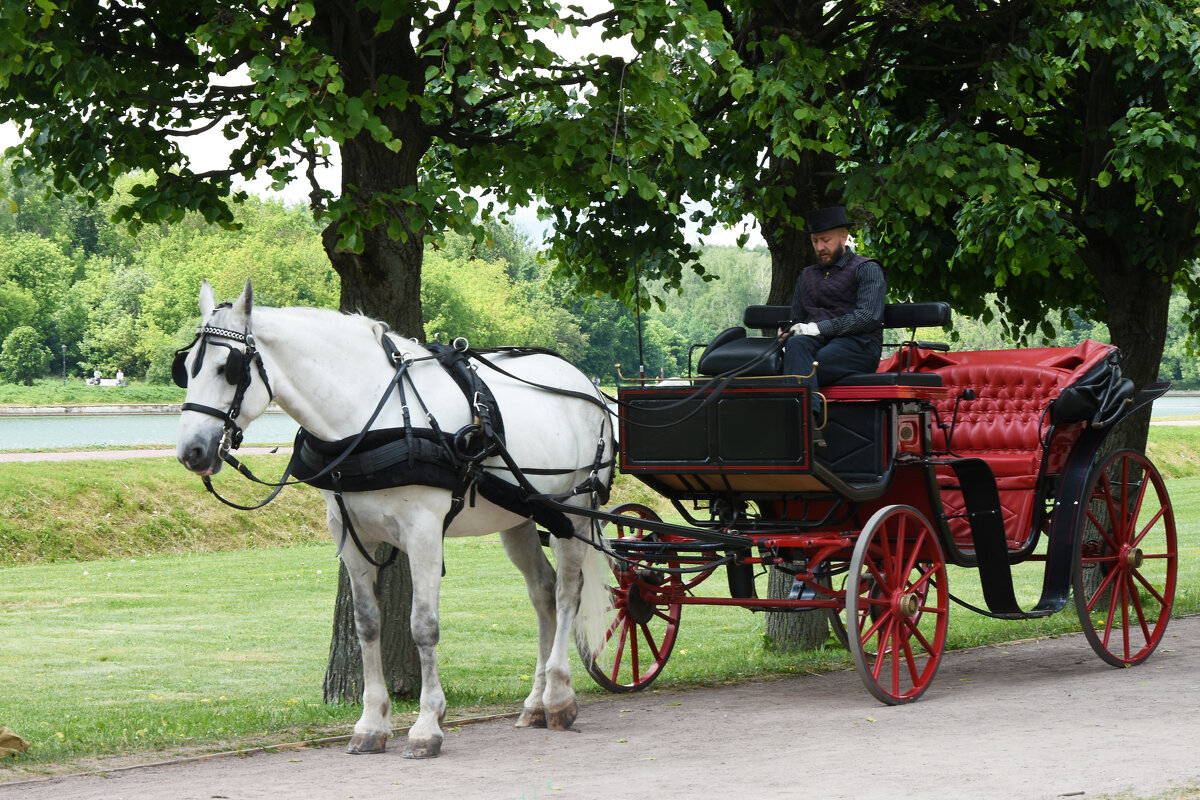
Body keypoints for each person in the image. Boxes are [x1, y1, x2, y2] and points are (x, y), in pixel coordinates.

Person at [782, 205, 887, 444]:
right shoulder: (807, 275)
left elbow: (868, 317)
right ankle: (808, 424)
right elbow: (797, 319)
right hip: (815, 344)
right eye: (815, 241)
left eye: (826, 240)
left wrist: (818, 328)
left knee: (807, 367)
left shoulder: (867, 268)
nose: (820, 248)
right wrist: (787, 333)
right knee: (796, 347)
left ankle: (800, 428)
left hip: (859, 345)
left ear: (844, 236)